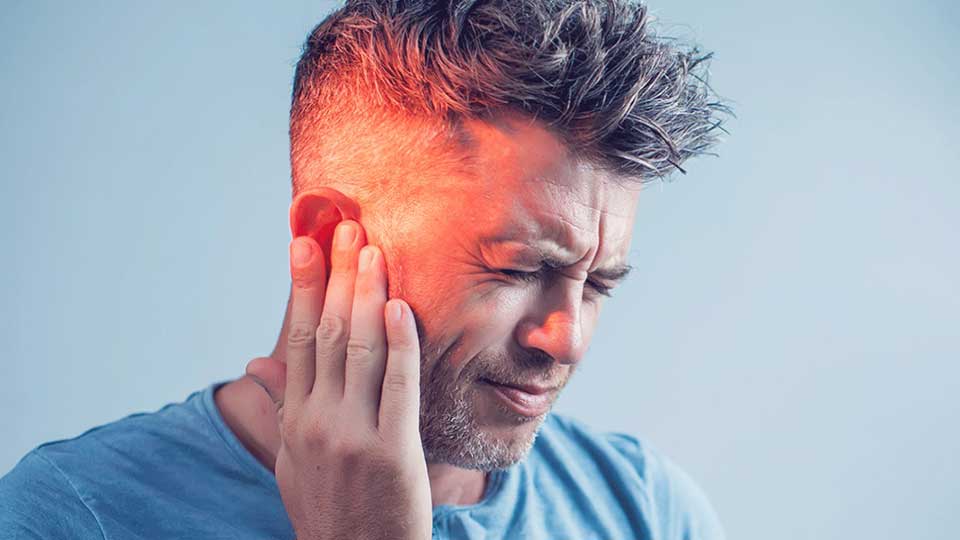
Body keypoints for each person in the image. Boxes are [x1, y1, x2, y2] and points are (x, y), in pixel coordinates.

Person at [1, 0, 731, 538]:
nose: (565, 339)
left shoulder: (646, 511)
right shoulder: (73, 516)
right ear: (329, 236)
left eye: (598, 282)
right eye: (517, 269)